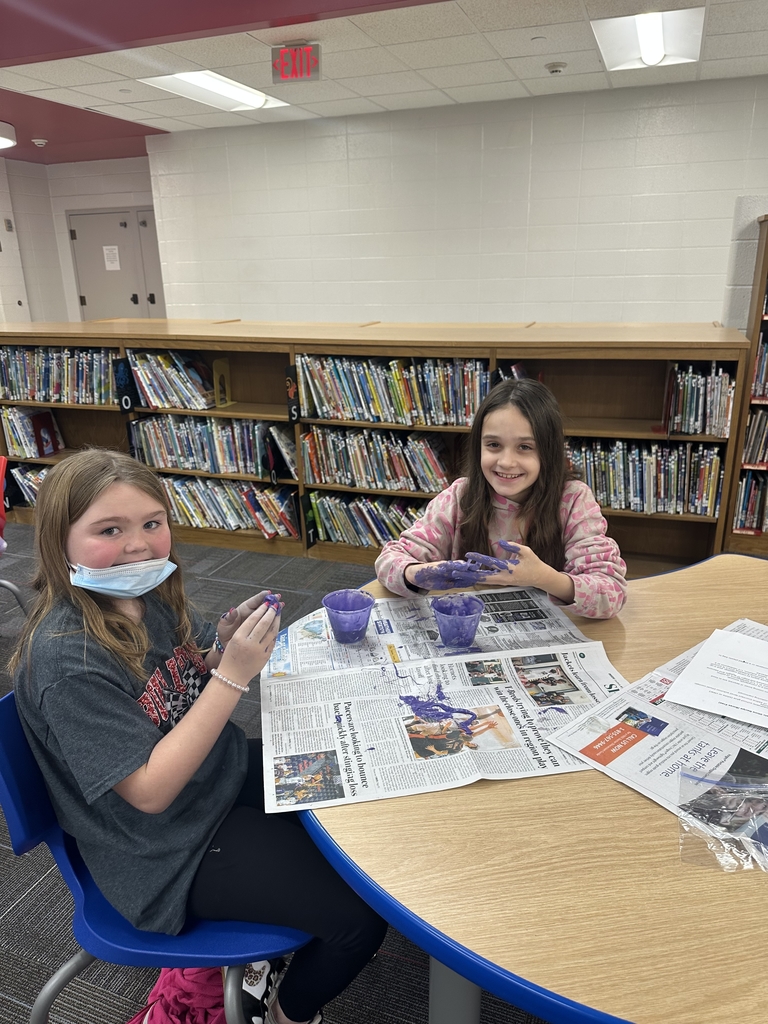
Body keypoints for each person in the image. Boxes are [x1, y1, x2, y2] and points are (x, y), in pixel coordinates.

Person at [11, 449, 386, 1024]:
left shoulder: (143, 597)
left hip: (217, 778)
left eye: (152, 524)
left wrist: (215, 653)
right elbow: (149, 791)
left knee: (352, 801)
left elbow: (175, 685)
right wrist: (233, 675)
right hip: (161, 849)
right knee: (359, 918)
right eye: (109, 530)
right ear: (59, 542)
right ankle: (288, 1014)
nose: (138, 545)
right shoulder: (68, 659)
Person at [375, 378, 627, 619]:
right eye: (493, 445)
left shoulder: (573, 500)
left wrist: (543, 578)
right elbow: (389, 561)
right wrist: (417, 574)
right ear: (478, 447)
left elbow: (610, 593)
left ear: (548, 451)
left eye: (525, 447)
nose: (506, 462)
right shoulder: (458, 497)